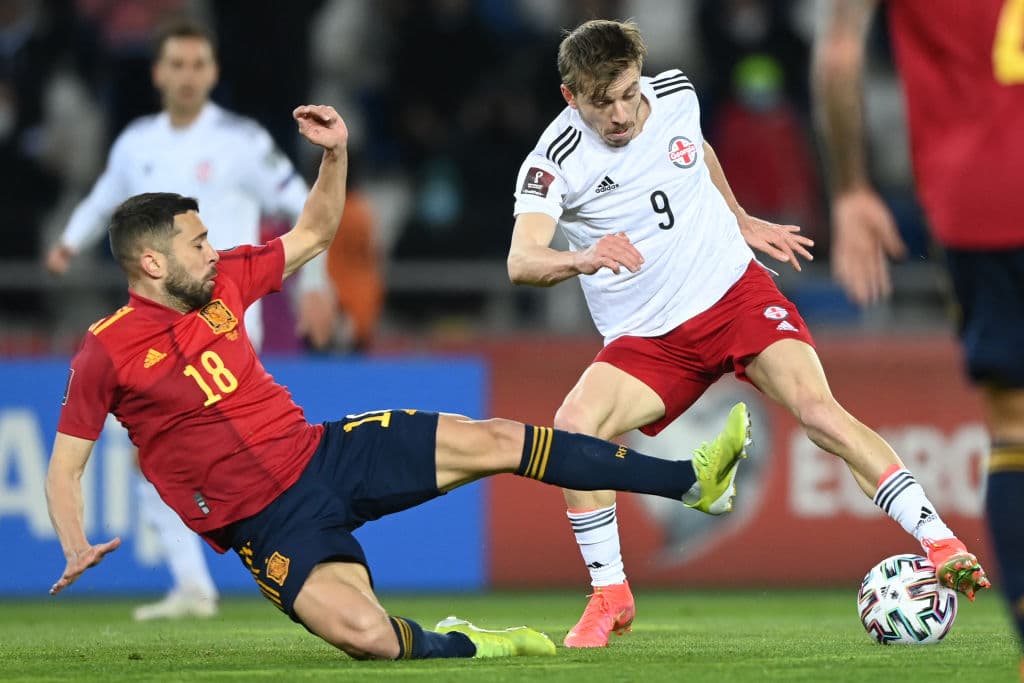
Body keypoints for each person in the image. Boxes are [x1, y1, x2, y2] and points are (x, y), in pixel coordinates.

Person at [45, 104, 755, 661]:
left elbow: (317, 232)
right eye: (196, 242)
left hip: (325, 454)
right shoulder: (104, 353)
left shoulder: (225, 276)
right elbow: (64, 466)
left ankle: (687, 482)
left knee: (501, 438)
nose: (212, 248)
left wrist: (335, 153)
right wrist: (75, 542)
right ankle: (472, 641)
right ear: (150, 264)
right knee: (369, 636)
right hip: (267, 525)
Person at [506, 18, 990, 649]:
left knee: (819, 413)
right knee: (573, 429)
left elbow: (696, 151)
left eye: (629, 92)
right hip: (648, 338)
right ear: (572, 97)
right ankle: (611, 596)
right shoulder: (553, 161)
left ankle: (940, 541)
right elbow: (522, 260)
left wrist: (737, 219)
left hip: (734, 295)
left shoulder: (676, 92)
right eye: (603, 102)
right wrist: (583, 257)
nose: (623, 113)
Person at [43, 18, 336, 621]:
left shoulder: (243, 140)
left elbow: (295, 208)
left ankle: (213, 572)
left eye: (198, 64)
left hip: (220, 309)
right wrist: (70, 242)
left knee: (175, 453)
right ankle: (200, 581)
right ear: (157, 73)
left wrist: (318, 281)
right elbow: (103, 197)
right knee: (156, 457)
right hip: (157, 319)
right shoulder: (136, 144)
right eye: (175, 64)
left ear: (213, 72)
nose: (186, 75)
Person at [812, 0, 1024, 676]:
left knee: (1014, 426)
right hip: (983, 193)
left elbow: (840, 53)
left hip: (983, 197)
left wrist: (849, 189)